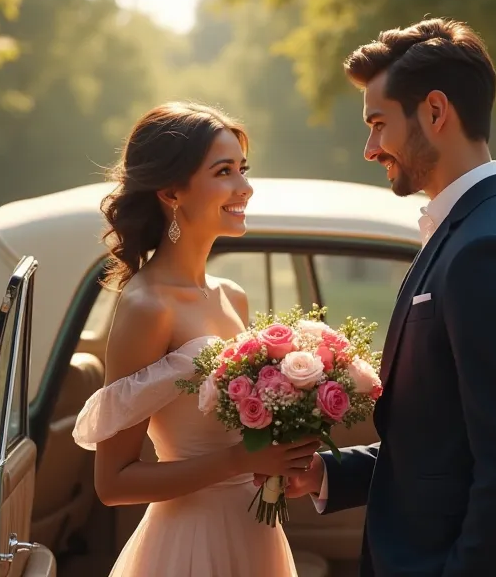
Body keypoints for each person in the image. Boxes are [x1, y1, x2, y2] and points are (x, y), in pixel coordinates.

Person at [274, 18, 496, 576]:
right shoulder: (471, 231)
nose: (369, 148)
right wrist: (328, 475)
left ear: (435, 112)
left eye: (378, 123)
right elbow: (442, 446)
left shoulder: (488, 251)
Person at [72, 101, 318, 577]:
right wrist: (236, 460)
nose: (244, 187)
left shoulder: (233, 297)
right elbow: (114, 483)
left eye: (242, 170)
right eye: (223, 172)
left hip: (257, 536)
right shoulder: (147, 306)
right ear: (171, 191)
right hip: (189, 544)